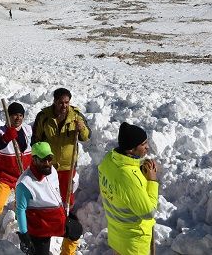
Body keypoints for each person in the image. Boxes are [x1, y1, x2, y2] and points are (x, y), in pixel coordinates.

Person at [98, 122, 160, 255]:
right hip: (134, 243)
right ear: (131, 150)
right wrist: (152, 181)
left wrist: (138, 169)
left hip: (117, 235)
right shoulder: (129, 177)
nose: (147, 147)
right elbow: (149, 213)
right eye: (143, 144)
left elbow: (121, 185)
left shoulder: (109, 159)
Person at [15, 142, 82, 255]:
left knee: (76, 230)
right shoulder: (25, 184)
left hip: (57, 221)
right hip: (41, 228)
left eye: (49, 158)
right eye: (43, 160)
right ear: (34, 160)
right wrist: (24, 234)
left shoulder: (52, 172)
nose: (47, 163)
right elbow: (20, 210)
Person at [32, 88, 91, 206]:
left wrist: (82, 129)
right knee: (47, 192)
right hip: (48, 163)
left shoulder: (76, 116)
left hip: (67, 165)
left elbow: (86, 137)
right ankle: (49, 214)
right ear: (54, 101)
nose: (64, 105)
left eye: (66, 102)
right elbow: (36, 140)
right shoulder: (44, 116)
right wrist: (39, 159)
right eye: (60, 102)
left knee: (66, 195)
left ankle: (65, 217)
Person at [0, 101, 32, 228]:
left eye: (20, 115)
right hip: (6, 177)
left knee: (27, 206)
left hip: (24, 177)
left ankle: (24, 230)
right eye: (14, 115)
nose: (18, 118)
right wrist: (6, 137)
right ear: (8, 116)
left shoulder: (28, 130)